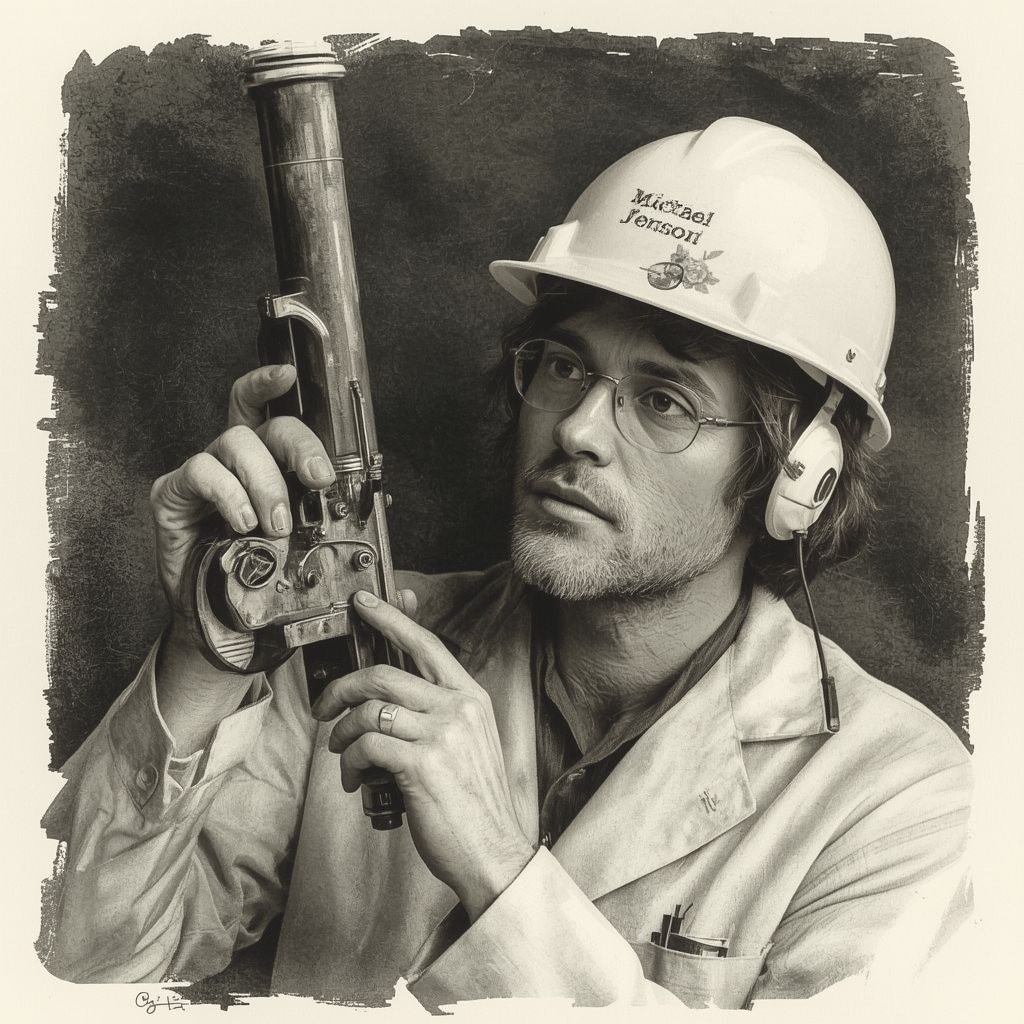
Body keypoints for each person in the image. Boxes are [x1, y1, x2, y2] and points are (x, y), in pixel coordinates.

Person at [41, 117, 972, 1008]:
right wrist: (206, 652)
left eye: (664, 401)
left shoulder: (900, 802)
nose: (575, 430)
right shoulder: (357, 642)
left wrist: (499, 867)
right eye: (564, 366)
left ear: (795, 478)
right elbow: (79, 972)